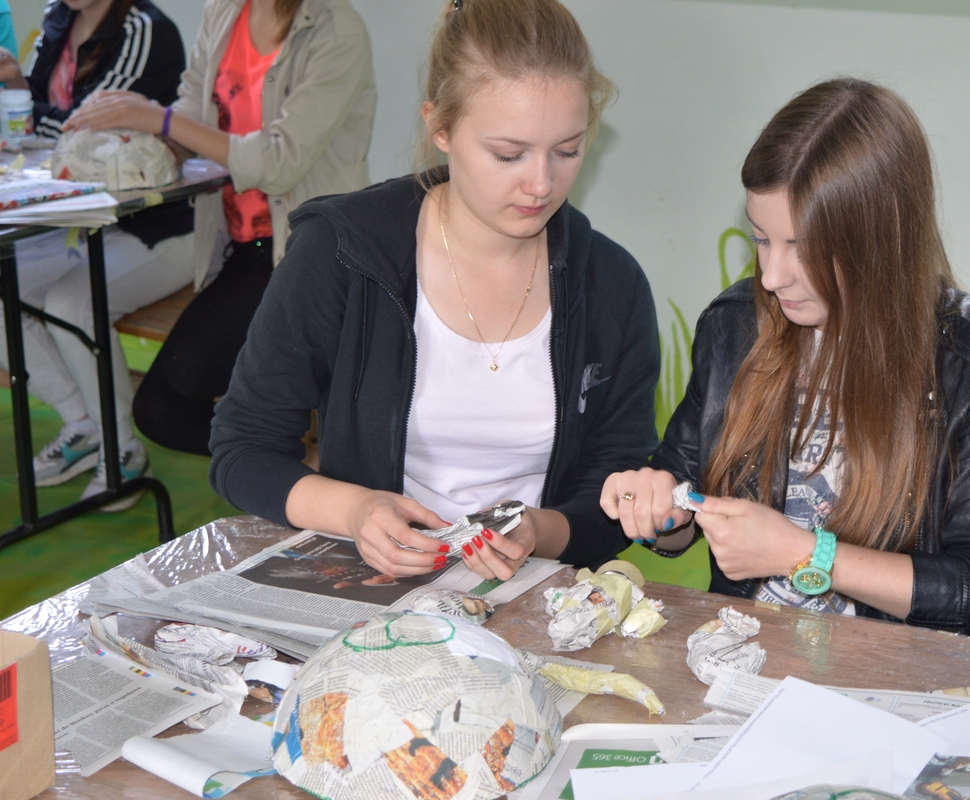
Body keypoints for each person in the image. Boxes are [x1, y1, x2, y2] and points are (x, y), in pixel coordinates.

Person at [208, 0, 659, 582]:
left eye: (568, 150)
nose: (541, 184)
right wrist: (356, 510)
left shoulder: (612, 284)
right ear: (439, 128)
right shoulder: (342, 252)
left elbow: (616, 492)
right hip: (372, 582)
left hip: (536, 591)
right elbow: (243, 448)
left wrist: (539, 532)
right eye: (508, 154)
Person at [602, 79, 970, 644]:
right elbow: (686, 496)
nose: (772, 277)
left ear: (882, 240)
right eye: (761, 240)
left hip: (900, 675)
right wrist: (660, 510)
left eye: (803, 248)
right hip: (750, 659)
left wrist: (804, 553)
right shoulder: (733, 327)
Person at [63, 0, 377, 456]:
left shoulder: (336, 29)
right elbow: (193, 105)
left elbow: (278, 164)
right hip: (244, 248)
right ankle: (298, 470)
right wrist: (133, 145)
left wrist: (158, 118)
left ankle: (301, 474)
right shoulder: (225, 10)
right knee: (160, 410)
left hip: (308, 254)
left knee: (178, 394)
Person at [0, 0, 190, 509]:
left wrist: (26, 109)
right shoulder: (58, 17)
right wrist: (16, 85)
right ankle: (83, 424)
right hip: (78, 222)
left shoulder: (144, 29)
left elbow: (83, 130)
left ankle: (123, 448)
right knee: (4, 292)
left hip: (158, 226)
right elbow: (39, 122)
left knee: (70, 304)